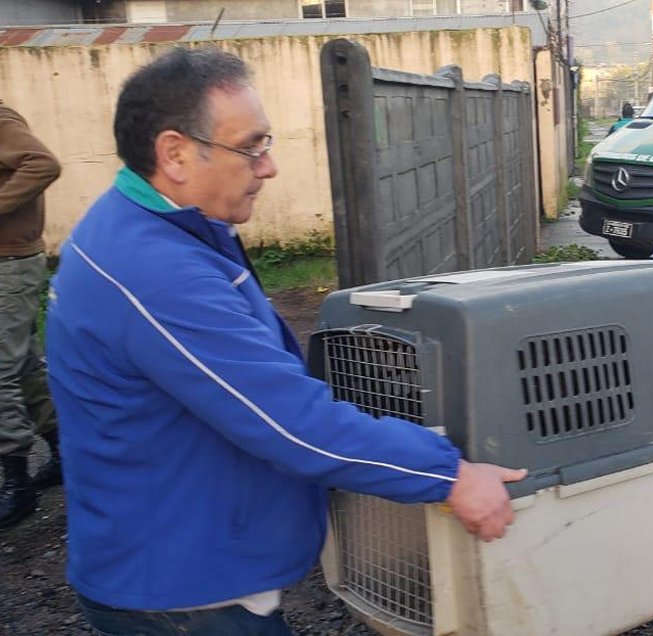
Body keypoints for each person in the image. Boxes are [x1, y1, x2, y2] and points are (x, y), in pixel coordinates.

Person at [46, 47, 526, 635]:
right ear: (174, 153)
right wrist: (449, 476)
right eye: (251, 146)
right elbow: (288, 423)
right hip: (185, 597)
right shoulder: (152, 268)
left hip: (177, 566)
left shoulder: (146, 226)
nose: (268, 167)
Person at [0, 98, 63, 530]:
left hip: (10, 263)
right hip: (8, 260)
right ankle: (65, 454)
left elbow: (43, 163)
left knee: (1, 369)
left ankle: (16, 482)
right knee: (22, 366)